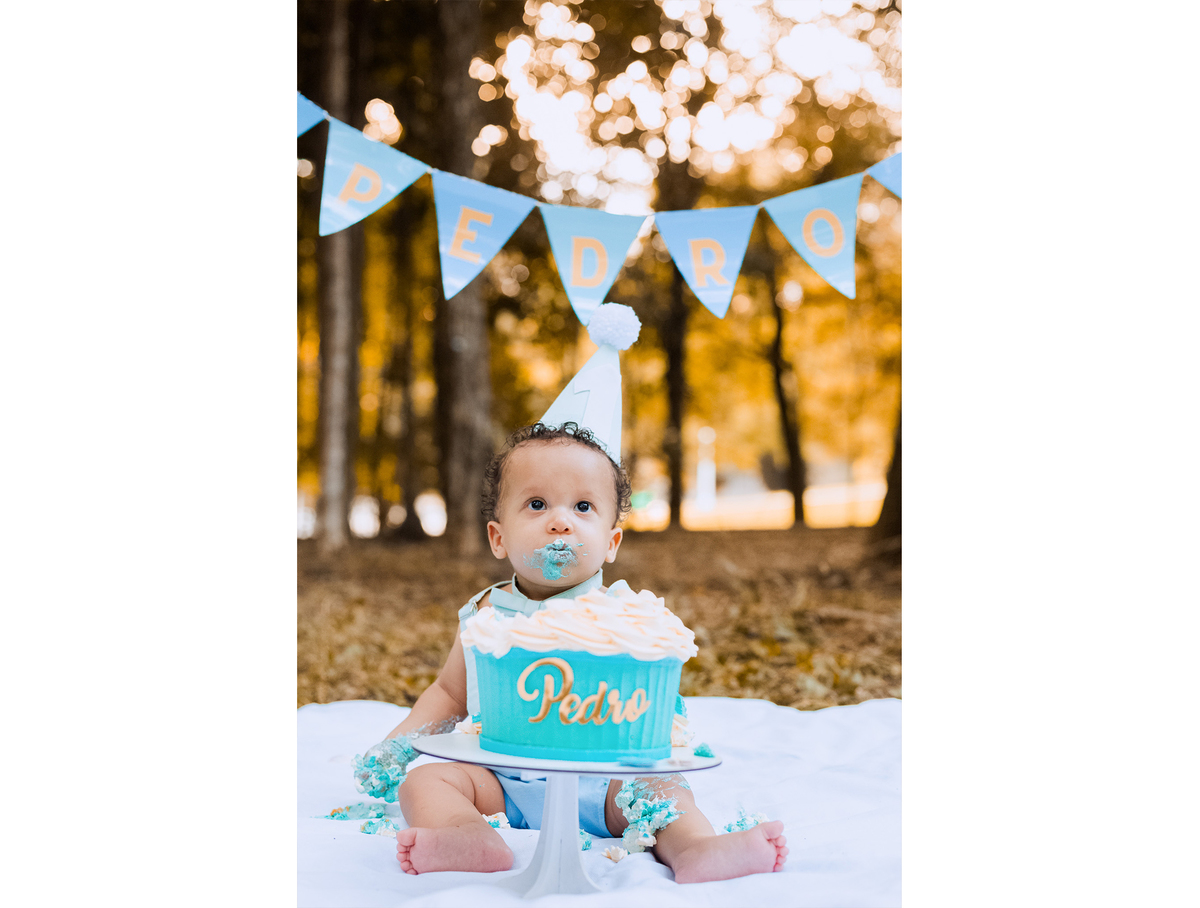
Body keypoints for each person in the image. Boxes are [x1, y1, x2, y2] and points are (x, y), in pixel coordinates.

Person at [359, 422, 788, 882]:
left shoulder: (624, 614)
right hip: (503, 781)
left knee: (664, 791)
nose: (559, 520)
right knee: (426, 782)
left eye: (583, 506)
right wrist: (399, 745)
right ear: (498, 537)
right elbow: (449, 691)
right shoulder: (486, 613)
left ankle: (696, 848)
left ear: (611, 542)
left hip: (607, 783)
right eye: (537, 504)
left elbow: (647, 692)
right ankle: (467, 835)